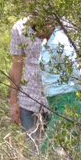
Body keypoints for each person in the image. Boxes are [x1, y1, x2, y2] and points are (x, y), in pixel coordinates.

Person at [37, 21, 81, 160]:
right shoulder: (46, 43)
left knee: (47, 148)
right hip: (55, 102)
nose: (34, 31)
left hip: (68, 100)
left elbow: (74, 70)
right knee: (74, 147)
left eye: (37, 26)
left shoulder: (60, 40)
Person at [7, 16, 50, 150]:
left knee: (57, 152)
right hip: (29, 101)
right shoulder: (19, 27)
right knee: (33, 152)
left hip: (56, 100)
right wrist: (14, 102)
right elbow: (17, 65)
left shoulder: (64, 25)